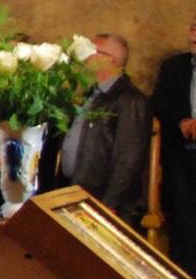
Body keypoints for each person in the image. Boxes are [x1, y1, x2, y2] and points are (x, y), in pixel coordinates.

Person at [59, 33, 151, 224]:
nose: (85, 56)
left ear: (111, 59)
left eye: (91, 51)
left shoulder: (131, 100)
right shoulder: (91, 94)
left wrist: (110, 203)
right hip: (74, 194)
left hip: (100, 202)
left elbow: (129, 158)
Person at [155, 12, 196, 269]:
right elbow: (159, 104)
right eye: (194, 28)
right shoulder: (173, 68)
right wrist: (181, 121)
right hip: (182, 158)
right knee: (183, 230)